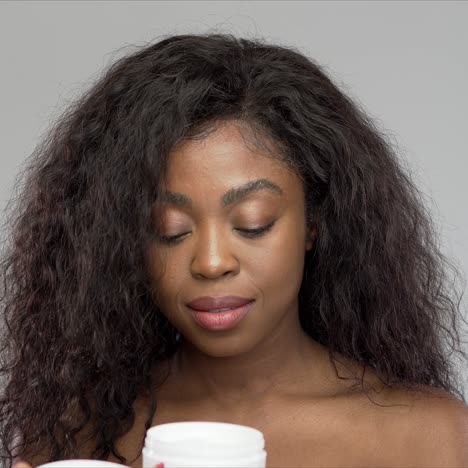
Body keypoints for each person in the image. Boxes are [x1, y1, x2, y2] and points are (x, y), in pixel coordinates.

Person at [1, 32, 467, 468]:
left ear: (314, 223)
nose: (211, 263)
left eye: (253, 223)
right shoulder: (80, 432)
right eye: (170, 229)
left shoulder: (428, 438)